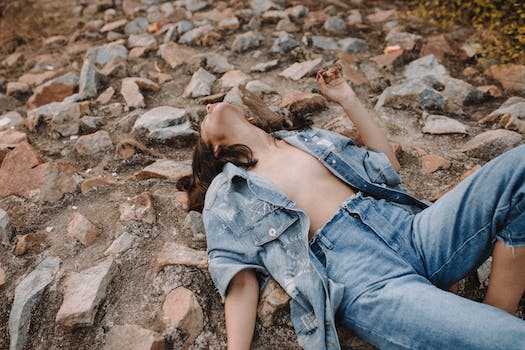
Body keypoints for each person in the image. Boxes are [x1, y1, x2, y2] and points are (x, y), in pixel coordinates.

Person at [177, 67, 525, 350]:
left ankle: (494, 312)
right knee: (511, 339)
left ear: (251, 121)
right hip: (364, 277)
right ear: (216, 151)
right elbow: (239, 279)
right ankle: (491, 331)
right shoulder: (228, 189)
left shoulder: (309, 139)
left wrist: (348, 99)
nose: (208, 108)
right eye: (203, 124)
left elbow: (387, 166)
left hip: (410, 229)